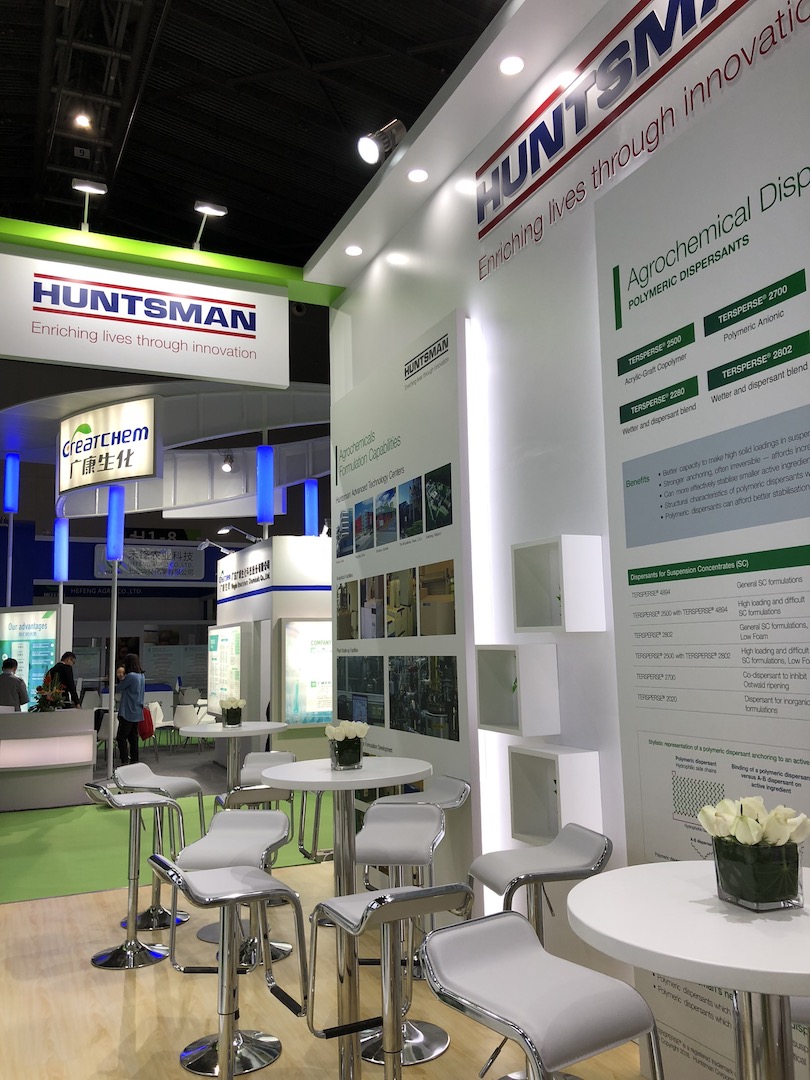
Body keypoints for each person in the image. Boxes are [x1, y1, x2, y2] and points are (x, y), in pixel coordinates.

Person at [116, 653, 145, 765]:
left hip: (128, 711)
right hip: (137, 710)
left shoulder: (131, 676)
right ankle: (134, 760)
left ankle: (124, 760)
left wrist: (120, 679)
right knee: (133, 737)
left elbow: (118, 688)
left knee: (121, 737)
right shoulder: (141, 676)